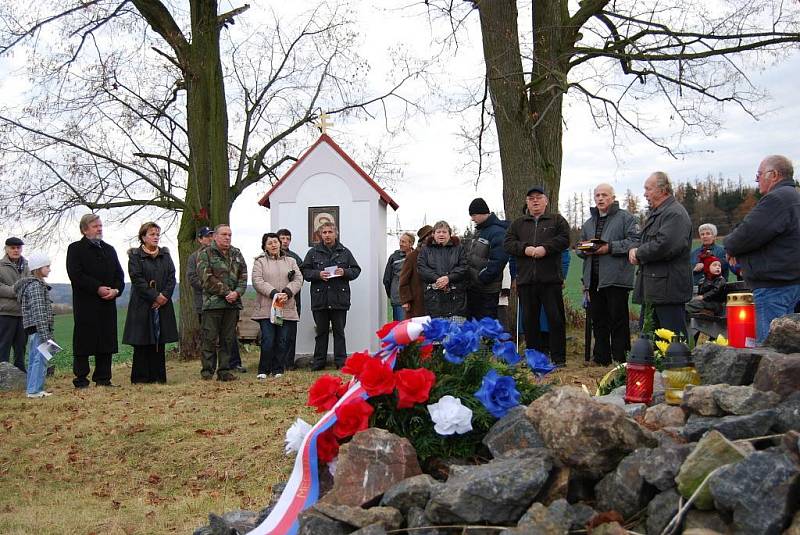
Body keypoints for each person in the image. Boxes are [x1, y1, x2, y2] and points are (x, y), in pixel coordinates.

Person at [724, 155, 800, 343]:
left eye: (759, 175)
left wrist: (731, 247)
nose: (757, 180)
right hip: (791, 283)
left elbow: (745, 234)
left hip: (774, 288)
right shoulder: (794, 197)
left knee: (770, 352)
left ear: (774, 175)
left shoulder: (776, 200)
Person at [504, 185, 570, 365]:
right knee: (529, 321)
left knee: (555, 319)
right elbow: (508, 243)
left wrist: (545, 249)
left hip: (550, 280)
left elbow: (565, 239)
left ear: (546, 201)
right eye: (531, 198)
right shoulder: (518, 224)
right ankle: (535, 359)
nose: (535, 201)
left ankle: (558, 359)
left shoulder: (557, 221)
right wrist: (525, 249)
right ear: (527, 202)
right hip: (526, 280)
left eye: (539, 197)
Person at [577, 183, 640, 365]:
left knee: (618, 320)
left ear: (613, 198)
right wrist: (585, 249)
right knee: (599, 320)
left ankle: (621, 358)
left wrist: (609, 247)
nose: (600, 198)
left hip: (616, 279)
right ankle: (601, 358)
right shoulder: (589, 223)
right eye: (597, 195)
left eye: (604, 195)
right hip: (594, 279)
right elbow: (580, 248)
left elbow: (635, 241)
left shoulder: (626, 218)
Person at [629, 172, 693, 339]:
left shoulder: (675, 214)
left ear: (662, 190)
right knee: (650, 343)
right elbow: (646, 240)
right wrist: (635, 249)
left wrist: (639, 253)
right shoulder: (659, 213)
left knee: (673, 343)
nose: (645, 193)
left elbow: (665, 245)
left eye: (648, 189)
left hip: (668, 291)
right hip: (654, 290)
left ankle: (675, 366)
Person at [66, 214, 125, 388]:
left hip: (108, 303)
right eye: (95, 226)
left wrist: (115, 290)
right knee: (84, 341)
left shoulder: (109, 249)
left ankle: (103, 378)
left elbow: (119, 276)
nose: (99, 229)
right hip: (86, 304)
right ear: (84, 229)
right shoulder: (75, 249)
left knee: (106, 341)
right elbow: (76, 275)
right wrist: (97, 287)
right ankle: (81, 379)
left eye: (100, 225)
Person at [122, 222, 178, 384]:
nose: (156, 237)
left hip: (162, 304)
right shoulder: (135, 256)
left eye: (157, 234)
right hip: (142, 304)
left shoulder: (165, 255)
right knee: (142, 340)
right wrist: (154, 296)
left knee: (159, 340)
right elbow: (137, 279)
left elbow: (171, 278)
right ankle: (141, 377)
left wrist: (164, 297)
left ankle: (158, 376)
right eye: (152, 234)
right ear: (143, 237)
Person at [301, 222, 361, 370]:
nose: (327, 235)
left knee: (339, 332)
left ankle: (341, 362)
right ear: (320, 235)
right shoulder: (313, 252)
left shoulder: (345, 252)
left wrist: (345, 272)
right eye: (324, 232)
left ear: (336, 234)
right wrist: (318, 274)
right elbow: (305, 272)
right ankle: (319, 362)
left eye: (330, 232)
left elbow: (356, 270)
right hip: (320, 299)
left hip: (339, 300)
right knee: (321, 332)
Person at [197, 224, 248, 381]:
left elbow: (243, 276)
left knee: (228, 339)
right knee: (210, 339)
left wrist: (236, 293)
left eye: (230, 235)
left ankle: (224, 370)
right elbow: (206, 278)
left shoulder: (236, 253)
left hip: (232, 305)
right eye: (224, 234)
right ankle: (207, 371)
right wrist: (226, 292)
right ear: (215, 236)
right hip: (213, 304)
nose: (227, 237)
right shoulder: (205, 253)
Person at [252, 233, 304, 378]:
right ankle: (263, 369)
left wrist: (287, 292)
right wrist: (274, 293)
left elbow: (299, 279)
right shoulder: (260, 262)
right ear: (265, 246)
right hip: (267, 306)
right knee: (268, 339)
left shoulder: (291, 261)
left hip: (286, 305)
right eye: (270, 243)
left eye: (276, 242)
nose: (274, 245)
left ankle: (278, 369)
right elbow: (257, 281)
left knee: (282, 340)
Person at [13, 251, 55, 398]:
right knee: (41, 358)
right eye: (47, 266)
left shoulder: (33, 285)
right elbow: (39, 311)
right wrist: (45, 334)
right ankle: (35, 390)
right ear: (38, 268)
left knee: (34, 358)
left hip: (34, 328)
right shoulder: (36, 286)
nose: (49, 269)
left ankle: (32, 388)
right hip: (39, 328)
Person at [466, 197, 509, 319]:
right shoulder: (481, 231)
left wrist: (482, 278)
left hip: (487, 290)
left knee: (487, 325)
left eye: (473, 215)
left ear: (482, 213)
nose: (472, 219)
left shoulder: (498, 232)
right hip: (475, 288)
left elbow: (498, 261)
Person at [418, 220, 469, 320]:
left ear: (450, 234)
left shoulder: (459, 248)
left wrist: (448, 278)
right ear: (433, 234)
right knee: (438, 334)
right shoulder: (425, 249)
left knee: (455, 333)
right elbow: (421, 268)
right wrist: (438, 279)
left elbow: (464, 267)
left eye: (444, 232)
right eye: (438, 232)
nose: (441, 234)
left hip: (455, 300)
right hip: (434, 300)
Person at [277, 228, 303, 369]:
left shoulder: (295, 258)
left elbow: (302, 277)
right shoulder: (268, 256)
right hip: (275, 299)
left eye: (288, 238)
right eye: (282, 238)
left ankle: (289, 362)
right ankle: (277, 362)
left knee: (291, 333)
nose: (285, 241)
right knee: (277, 331)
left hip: (293, 299)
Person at [0, 237, 28, 371]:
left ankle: (21, 374)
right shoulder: (0, 266)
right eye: (12, 248)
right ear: (6, 249)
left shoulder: (28, 266)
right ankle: (3, 375)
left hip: (24, 313)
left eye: (18, 248)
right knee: (3, 346)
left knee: (21, 346)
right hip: (6, 312)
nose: (16, 250)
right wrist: (15, 291)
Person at [398, 225, 433, 318]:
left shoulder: (436, 254)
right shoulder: (413, 256)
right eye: (430, 235)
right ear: (424, 239)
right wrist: (406, 300)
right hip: (416, 302)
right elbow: (403, 280)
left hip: (433, 301)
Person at [383, 232, 415, 321]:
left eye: (404, 242)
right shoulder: (394, 257)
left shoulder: (417, 256)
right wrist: (392, 295)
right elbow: (387, 279)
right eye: (400, 241)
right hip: (398, 300)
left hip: (415, 300)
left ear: (411, 243)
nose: (401, 244)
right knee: (400, 328)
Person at [187, 227, 214, 325]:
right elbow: (192, 278)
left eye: (212, 236)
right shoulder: (194, 257)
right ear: (200, 239)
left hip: (222, 303)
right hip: (204, 303)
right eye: (207, 236)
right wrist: (212, 287)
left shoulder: (222, 255)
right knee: (207, 336)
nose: (210, 238)